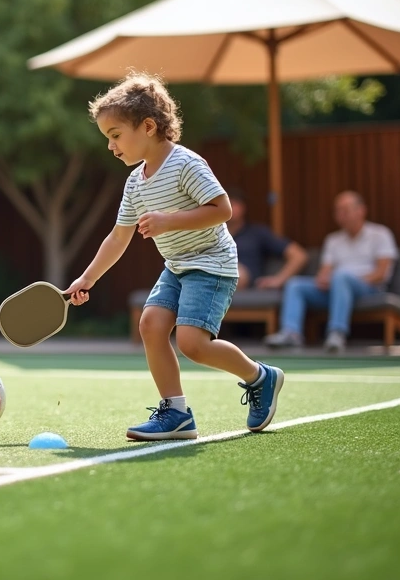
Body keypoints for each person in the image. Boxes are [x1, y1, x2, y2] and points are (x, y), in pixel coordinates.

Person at [63, 72, 283, 441]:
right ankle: (176, 412)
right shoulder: (135, 182)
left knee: (192, 344)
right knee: (150, 325)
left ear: (148, 126)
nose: (110, 147)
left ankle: (261, 376)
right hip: (178, 266)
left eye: (115, 136)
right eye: (108, 139)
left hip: (212, 264)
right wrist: (88, 278)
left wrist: (170, 221)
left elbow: (222, 209)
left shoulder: (186, 164)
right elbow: (119, 237)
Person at [264, 191, 397, 353]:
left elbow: (381, 273)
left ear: (361, 210)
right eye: (337, 211)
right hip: (336, 288)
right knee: (295, 284)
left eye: (345, 210)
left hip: (370, 288)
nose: (341, 215)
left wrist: (345, 280)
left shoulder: (380, 234)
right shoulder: (333, 240)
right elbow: (325, 270)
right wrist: (323, 279)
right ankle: (291, 333)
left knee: (341, 277)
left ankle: (337, 333)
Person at [227, 188, 307, 289]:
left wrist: (279, 280)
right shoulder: (210, 235)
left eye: (233, 204)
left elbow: (299, 255)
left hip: (243, 282)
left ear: (243, 207)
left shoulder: (258, 233)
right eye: (225, 205)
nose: (228, 207)